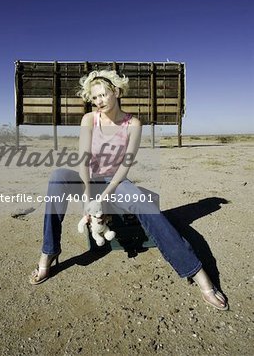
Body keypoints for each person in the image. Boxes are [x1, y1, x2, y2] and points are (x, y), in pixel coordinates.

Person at [30, 69, 228, 311]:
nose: (99, 101)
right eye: (95, 98)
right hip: (89, 180)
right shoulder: (89, 119)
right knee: (58, 177)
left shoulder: (133, 124)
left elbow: (125, 167)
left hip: (116, 182)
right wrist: (88, 198)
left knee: (145, 204)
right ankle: (49, 252)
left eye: (103, 95)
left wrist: (103, 197)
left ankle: (197, 273)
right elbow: (83, 161)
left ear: (116, 92)